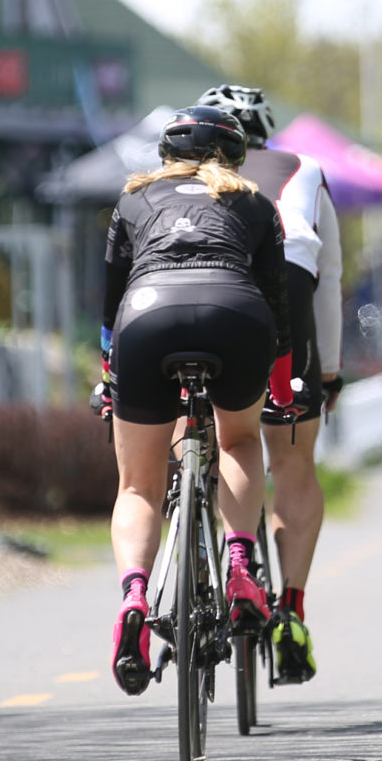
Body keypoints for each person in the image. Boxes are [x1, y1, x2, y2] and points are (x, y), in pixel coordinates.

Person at [98, 105, 290, 694]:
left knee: (137, 484)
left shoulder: (133, 199)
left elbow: (108, 305)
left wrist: (109, 378)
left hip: (147, 315)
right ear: (236, 156)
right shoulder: (255, 203)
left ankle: (135, 596)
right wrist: (283, 389)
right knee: (238, 440)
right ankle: (241, 566)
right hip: (235, 313)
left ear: (165, 154)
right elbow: (279, 307)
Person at [200, 82, 340, 684]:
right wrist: (328, 372)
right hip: (289, 287)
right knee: (293, 463)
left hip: (202, 290)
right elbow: (329, 278)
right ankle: (291, 611)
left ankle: (206, 548)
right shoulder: (304, 168)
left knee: (205, 435)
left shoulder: (177, 178)